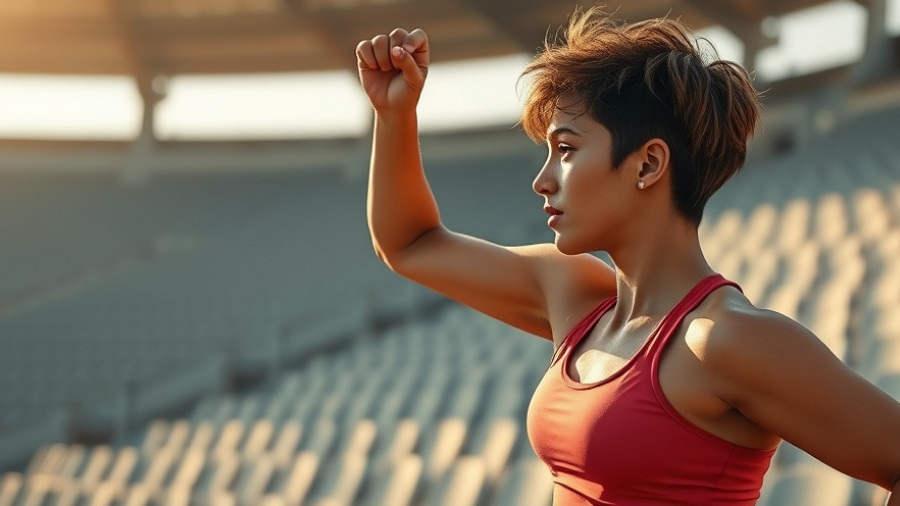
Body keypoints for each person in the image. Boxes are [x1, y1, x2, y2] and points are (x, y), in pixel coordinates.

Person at [355, 5, 900, 505]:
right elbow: (409, 245)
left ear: (647, 165)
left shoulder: (727, 340)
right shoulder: (572, 294)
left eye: (565, 150)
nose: (542, 181)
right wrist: (394, 114)